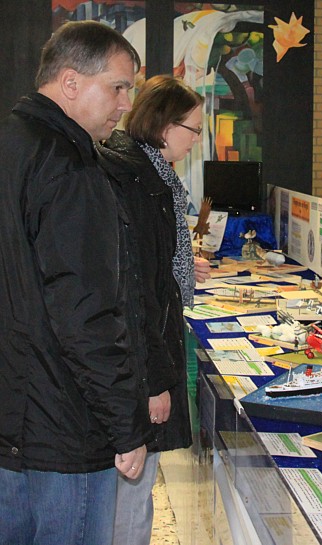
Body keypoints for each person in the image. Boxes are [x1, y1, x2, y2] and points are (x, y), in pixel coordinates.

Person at [0, 21, 150, 545]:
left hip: (14, 423)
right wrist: (125, 425)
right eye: (117, 87)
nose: (125, 103)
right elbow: (85, 313)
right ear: (69, 83)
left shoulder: (12, 143)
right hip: (65, 429)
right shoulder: (69, 165)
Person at [96, 75, 211, 545]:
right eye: (195, 129)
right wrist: (156, 383)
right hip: (140, 372)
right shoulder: (141, 184)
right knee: (131, 497)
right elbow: (140, 298)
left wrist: (183, 263)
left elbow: (155, 270)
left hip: (137, 366)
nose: (197, 139)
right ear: (166, 127)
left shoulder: (150, 176)